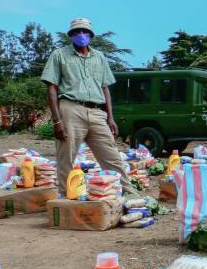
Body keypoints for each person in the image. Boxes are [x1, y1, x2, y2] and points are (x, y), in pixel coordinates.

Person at [41, 18, 136, 197]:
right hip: (70, 108)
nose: (81, 35)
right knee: (66, 157)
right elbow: (51, 88)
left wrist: (110, 117)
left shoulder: (99, 57)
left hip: (97, 111)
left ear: (91, 35)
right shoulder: (59, 55)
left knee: (112, 155)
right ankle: (66, 197)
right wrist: (57, 120)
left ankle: (129, 195)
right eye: (76, 32)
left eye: (84, 31)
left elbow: (105, 88)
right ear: (71, 36)